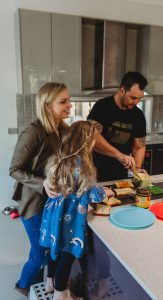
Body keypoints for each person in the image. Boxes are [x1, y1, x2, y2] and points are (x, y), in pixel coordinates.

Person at [39, 120, 113, 300]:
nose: (96, 143)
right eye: (94, 140)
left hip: (53, 214)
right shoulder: (82, 164)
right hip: (70, 218)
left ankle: (50, 282)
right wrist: (104, 192)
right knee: (67, 254)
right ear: (86, 143)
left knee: (53, 248)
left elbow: (57, 182)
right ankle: (61, 293)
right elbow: (89, 194)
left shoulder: (59, 157)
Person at [9, 82, 71, 297]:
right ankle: (24, 284)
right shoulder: (33, 132)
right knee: (42, 254)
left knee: (42, 248)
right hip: (33, 202)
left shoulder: (62, 129)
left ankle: (37, 284)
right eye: (63, 101)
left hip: (51, 202)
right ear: (47, 106)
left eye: (68, 100)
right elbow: (14, 169)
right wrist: (42, 183)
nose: (69, 106)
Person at [87, 71, 148, 181]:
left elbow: (139, 146)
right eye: (133, 98)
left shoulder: (138, 115)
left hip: (120, 175)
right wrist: (119, 155)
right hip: (94, 172)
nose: (136, 102)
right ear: (122, 90)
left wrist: (137, 168)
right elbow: (92, 137)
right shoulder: (102, 106)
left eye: (140, 98)